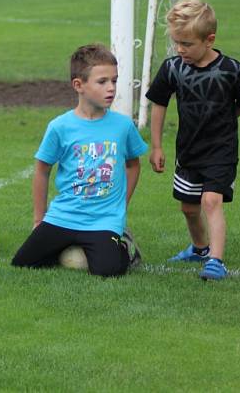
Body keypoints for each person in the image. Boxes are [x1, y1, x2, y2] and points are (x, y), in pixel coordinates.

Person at [11, 44, 148, 277]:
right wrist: (38, 219)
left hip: (103, 220)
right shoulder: (59, 127)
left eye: (114, 81)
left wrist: (120, 207)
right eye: (102, 81)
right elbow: (42, 170)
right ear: (79, 85)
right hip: (64, 215)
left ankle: (123, 247)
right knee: (23, 263)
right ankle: (68, 244)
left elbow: (133, 165)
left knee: (107, 271)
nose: (111, 88)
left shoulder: (123, 126)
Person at [146, 0, 240, 281]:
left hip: (221, 150)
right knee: (188, 206)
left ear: (209, 40)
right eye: (176, 43)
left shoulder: (232, 70)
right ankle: (200, 248)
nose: (180, 49)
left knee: (210, 202)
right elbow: (158, 103)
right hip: (188, 150)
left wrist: (226, 122)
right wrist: (156, 145)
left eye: (187, 44)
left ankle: (216, 262)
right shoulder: (172, 68)